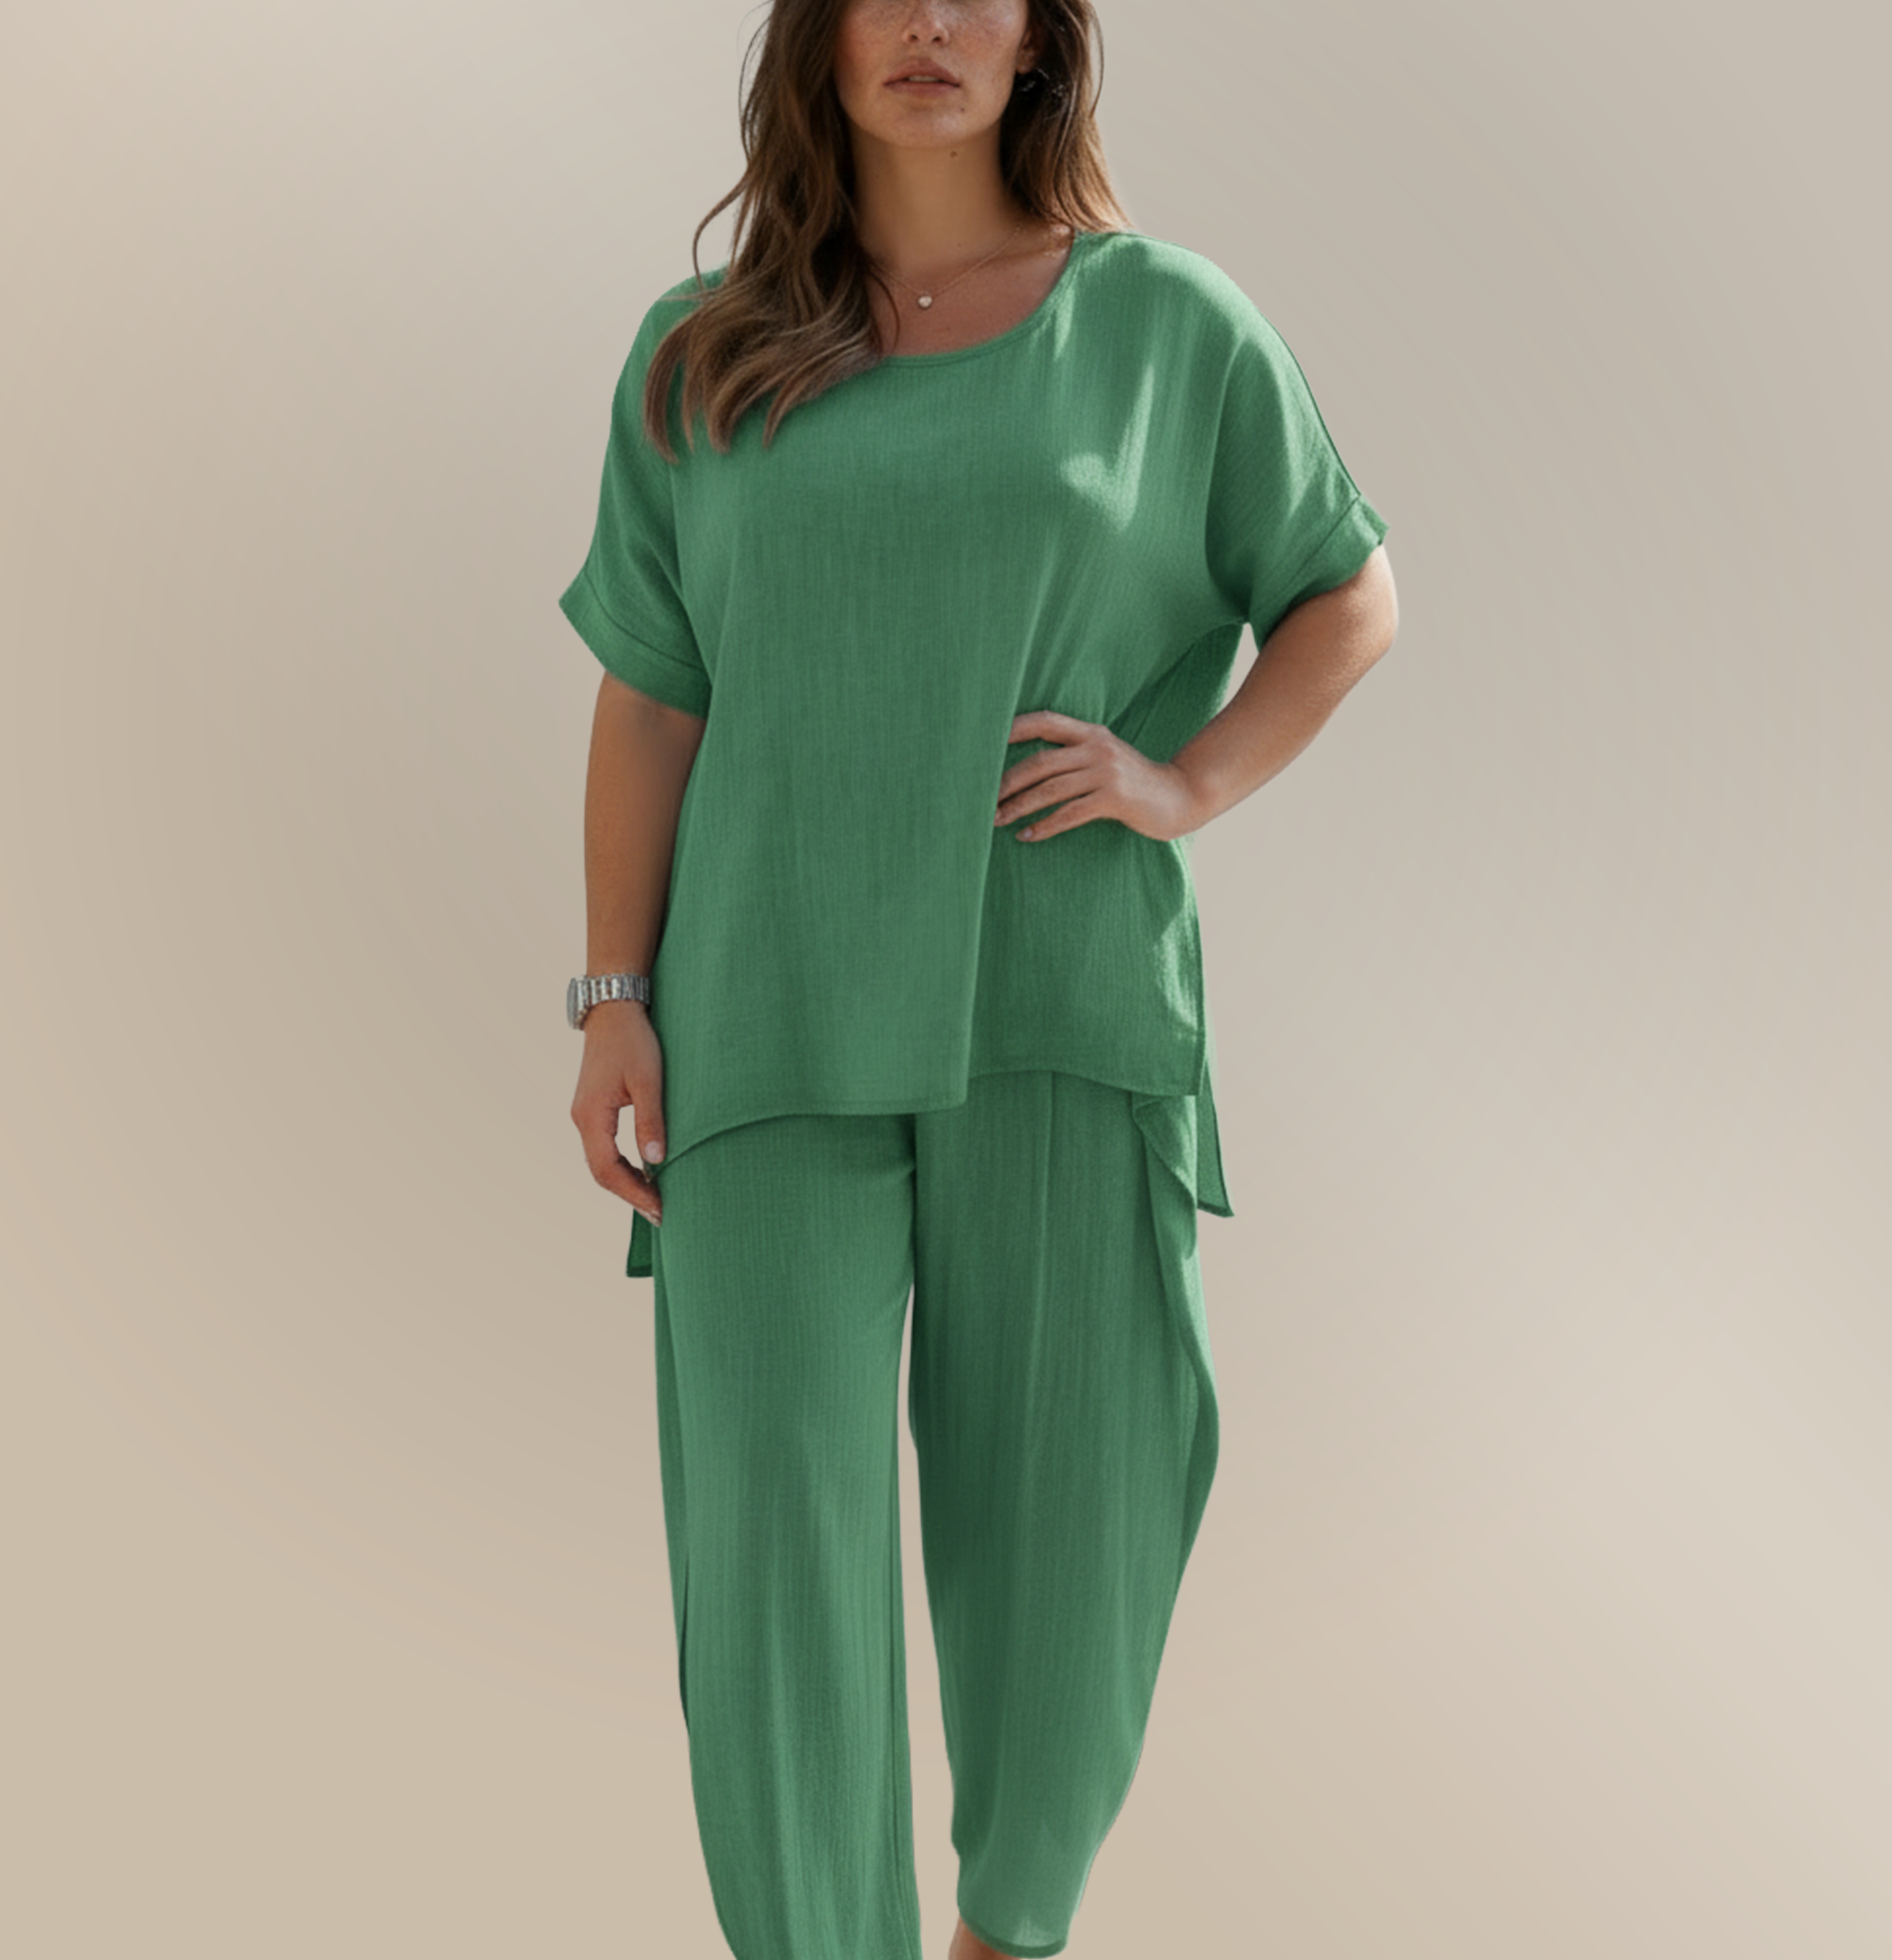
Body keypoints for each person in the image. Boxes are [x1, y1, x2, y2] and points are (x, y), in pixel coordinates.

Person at [562, 3, 1398, 1955]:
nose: (928, 20)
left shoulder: (1168, 326)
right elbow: (651, 698)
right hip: (761, 1018)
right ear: (819, 36)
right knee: (775, 1560)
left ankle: (1007, 1931)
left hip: (1061, 1004)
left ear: (1040, 40)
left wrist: (1184, 782)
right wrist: (610, 994)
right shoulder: (701, 356)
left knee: (1082, 1530)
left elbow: (1346, 591)